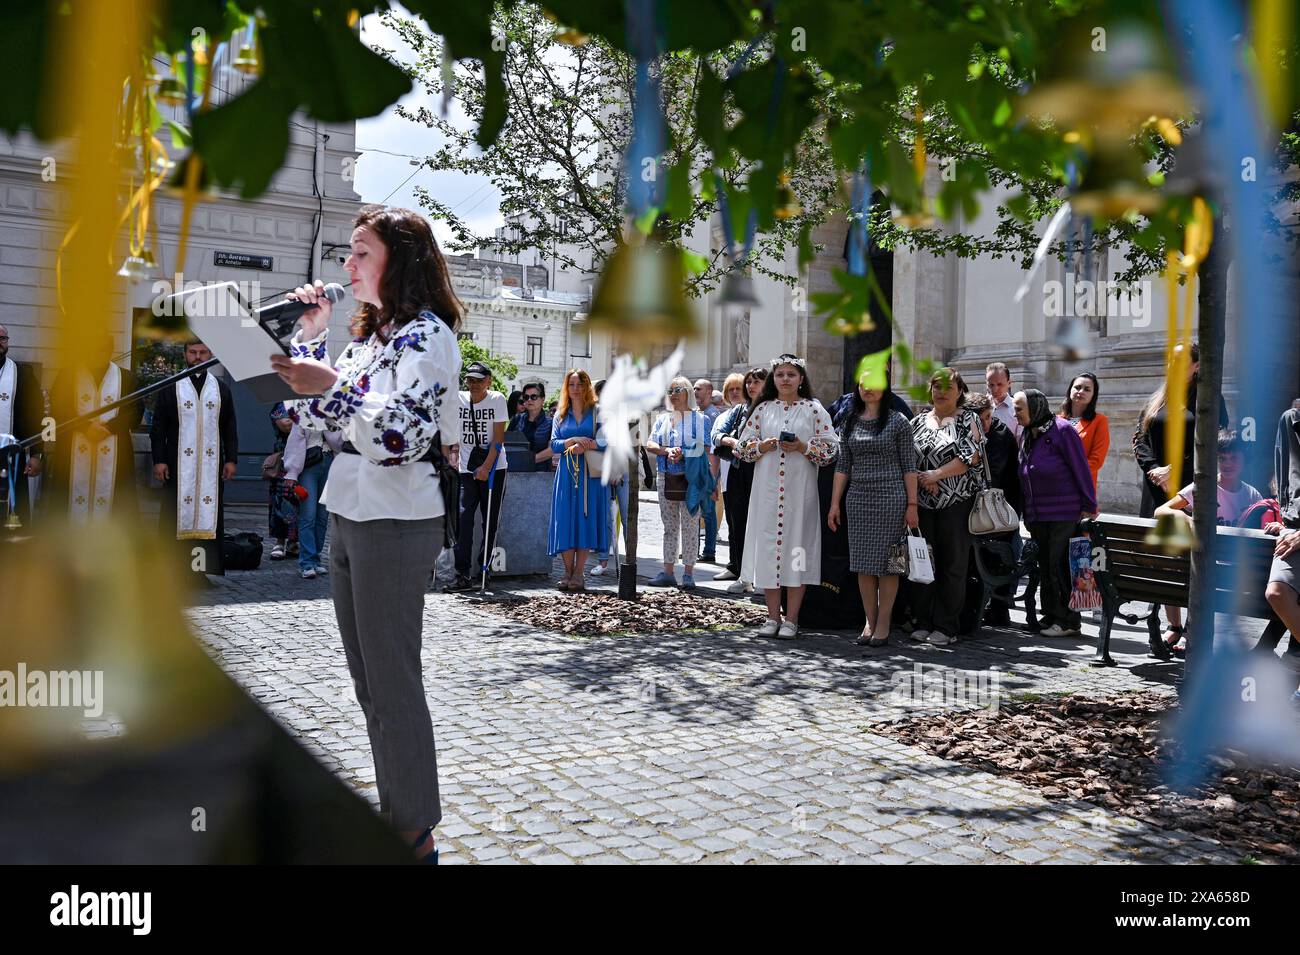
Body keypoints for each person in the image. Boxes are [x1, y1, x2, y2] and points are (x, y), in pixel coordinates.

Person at [270, 204, 462, 863]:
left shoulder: (426, 338)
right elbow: (320, 425)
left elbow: (401, 436)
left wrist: (333, 387)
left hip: (397, 519)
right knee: (368, 683)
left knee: (392, 681)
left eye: (360, 253)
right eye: (347, 254)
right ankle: (397, 818)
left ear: (397, 262)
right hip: (351, 511)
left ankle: (415, 833)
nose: (346, 265)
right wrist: (309, 343)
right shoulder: (370, 340)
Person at [734, 355, 839, 638]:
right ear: (774, 379)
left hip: (799, 495)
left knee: (797, 553)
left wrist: (804, 447)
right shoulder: (763, 409)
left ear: (801, 378)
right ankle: (771, 617)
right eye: (780, 375)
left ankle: (791, 619)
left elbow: (831, 451)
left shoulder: (814, 410)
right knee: (770, 553)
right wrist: (763, 446)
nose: (785, 380)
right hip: (767, 494)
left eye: (791, 375)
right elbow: (742, 448)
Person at [1133, 342, 1230, 644]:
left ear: (1197, 365)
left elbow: (1216, 440)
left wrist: (1175, 468)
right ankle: (1173, 625)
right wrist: (1153, 469)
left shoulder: (1209, 398)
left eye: (1179, 361)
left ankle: (1193, 625)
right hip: (1156, 490)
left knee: (1190, 558)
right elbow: (1139, 438)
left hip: (1189, 489)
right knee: (1165, 557)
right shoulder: (1158, 399)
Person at [1153, 429, 1263, 657]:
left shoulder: (1252, 496)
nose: (1227, 463)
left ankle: (1184, 630)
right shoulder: (1202, 488)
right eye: (1222, 458)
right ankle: (1179, 628)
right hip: (1203, 566)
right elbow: (1161, 511)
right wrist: (1187, 519)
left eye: (1234, 458)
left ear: (1244, 460)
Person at [827, 374, 918, 646]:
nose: (867, 389)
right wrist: (834, 504)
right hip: (858, 499)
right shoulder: (849, 421)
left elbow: (909, 466)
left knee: (890, 565)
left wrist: (912, 504)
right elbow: (842, 466)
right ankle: (869, 619)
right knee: (863, 564)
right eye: (862, 384)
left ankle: (884, 621)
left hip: (891, 498)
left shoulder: (898, 422)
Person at [149, 339, 239, 577]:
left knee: (207, 517)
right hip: (177, 466)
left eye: (203, 352)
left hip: (210, 467)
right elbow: (157, 428)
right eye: (193, 352)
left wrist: (231, 459)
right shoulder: (171, 387)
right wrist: (159, 460)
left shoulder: (221, 389)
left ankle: (200, 572)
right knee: (174, 516)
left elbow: (229, 427)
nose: (198, 356)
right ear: (185, 354)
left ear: (210, 354)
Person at [1015, 389, 1098, 638]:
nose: (1016, 413)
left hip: (1063, 511)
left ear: (1035, 408)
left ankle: (1068, 619)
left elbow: (1080, 468)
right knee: (1046, 564)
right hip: (1037, 513)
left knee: (1059, 564)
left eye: (1020, 408)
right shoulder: (1027, 433)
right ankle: (1051, 614)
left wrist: (1089, 505)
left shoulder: (1062, 430)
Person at [908, 367, 982, 646]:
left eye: (948, 388)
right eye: (936, 387)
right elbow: (907, 460)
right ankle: (922, 620)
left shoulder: (968, 419)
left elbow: (970, 455)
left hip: (956, 503)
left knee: (953, 565)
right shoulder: (917, 422)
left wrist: (935, 475)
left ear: (960, 392)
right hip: (922, 503)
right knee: (923, 561)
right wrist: (923, 479)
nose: (941, 393)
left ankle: (947, 626)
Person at [46, 332, 139, 525]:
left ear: (110, 352)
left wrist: (109, 427)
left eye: (103, 351)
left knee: (116, 508)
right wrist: (86, 426)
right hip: (72, 451)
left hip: (114, 451)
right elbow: (58, 407)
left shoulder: (126, 378)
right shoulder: (68, 376)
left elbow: (135, 412)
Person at [646, 376, 715, 589]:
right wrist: (667, 450)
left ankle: (688, 573)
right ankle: (668, 571)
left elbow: (704, 448)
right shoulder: (662, 419)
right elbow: (650, 443)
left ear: (688, 393)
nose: (673, 394)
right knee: (669, 526)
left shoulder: (700, 419)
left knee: (690, 525)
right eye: (670, 390)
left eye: (678, 390)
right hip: (666, 477)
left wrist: (683, 454)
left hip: (691, 479)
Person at [965, 393, 1024, 627]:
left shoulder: (998, 433)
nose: (989, 422)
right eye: (984, 418)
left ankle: (999, 607)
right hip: (985, 508)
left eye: (990, 417)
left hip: (1000, 509)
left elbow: (992, 473)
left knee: (1004, 555)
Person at [449, 361, 508, 591]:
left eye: (479, 380)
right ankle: (462, 573)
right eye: (470, 380)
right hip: (465, 468)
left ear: (488, 381)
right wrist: (452, 455)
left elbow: (498, 439)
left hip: (494, 468)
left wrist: (486, 467)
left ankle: (485, 569)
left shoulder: (497, 399)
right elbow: (451, 431)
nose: (474, 384)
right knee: (463, 520)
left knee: (490, 520)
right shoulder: (458, 399)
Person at [548, 369, 609, 590]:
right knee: (565, 519)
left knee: (585, 519)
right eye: (572, 384)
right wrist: (572, 440)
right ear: (567, 387)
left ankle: (579, 572)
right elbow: (554, 444)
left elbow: (607, 441)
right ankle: (566, 571)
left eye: (580, 384)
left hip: (589, 474)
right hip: (566, 472)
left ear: (587, 387)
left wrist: (587, 444)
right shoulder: (560, 414)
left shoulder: (598, 411)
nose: (576, 388)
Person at [712, 367, 766, 592]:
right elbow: (715, 436)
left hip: (762, 470)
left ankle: (761, 576)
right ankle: (741, 572)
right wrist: (731, 442)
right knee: (736, 522)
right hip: (737, 468)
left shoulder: (772, 408)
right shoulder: (737, 412)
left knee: (763, 524)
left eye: (757, 382)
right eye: (749, 382)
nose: (751, 386)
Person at [281, 412, 341, 578]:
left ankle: (316, 559)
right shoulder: (303, 411)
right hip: (308, 465)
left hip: (330, 462)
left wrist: (328, 421)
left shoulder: (334, 412)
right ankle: (307, 562)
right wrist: (292, 473)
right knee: (309, 515)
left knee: (323, 515)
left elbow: (339, 443)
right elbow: (295, 443)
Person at [0, 323, 44, 525]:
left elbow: (35, 416)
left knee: (12, 512)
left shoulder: (22, 374)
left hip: (11, 456)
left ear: (7, 342)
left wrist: (37, 454)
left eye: (2, 338)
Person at [591, 377, 629, 578]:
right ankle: (603, 560)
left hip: (621, 470)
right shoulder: (595, 413)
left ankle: (631, 560)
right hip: (600, 469)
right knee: (605, 517)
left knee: (627, 515)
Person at [1058, 372, 1109, 494]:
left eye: (1087, 389)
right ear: (1070, 390)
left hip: (1081, 486)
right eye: (1077, 387)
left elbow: (1097, 460)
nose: (1080, 392)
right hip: (1055, 484)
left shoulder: (1099, 421)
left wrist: (1070, 473)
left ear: (1093, 395)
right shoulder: (1056, 420)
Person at [266, 403, 299, 560]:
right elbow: (284, 425)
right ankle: (280, 541)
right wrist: (302, 420)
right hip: (283, 460)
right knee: (281, 500)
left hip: (305, 458)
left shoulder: (305, 402)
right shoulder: (281, 404)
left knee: (300, 501)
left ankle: (294, 542)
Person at [693, 377, 721, 562]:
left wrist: (711, 477)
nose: (695, 392)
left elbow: (713, 450)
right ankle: (693, 549)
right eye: (694, 389)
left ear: (709, 393)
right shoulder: (697, 413)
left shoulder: (712, 415)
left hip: (706, 470)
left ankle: (709, 551)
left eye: (699, 389)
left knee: (708, 513)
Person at [507, 381, 554, 470]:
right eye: (526, 397)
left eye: (534, 397)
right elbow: (506, 442)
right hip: (515, 471)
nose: (529, 400)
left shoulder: (550, 423)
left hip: (541, 473)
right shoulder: (517, 419)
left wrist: (528, 460)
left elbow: (552, 449)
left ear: (542, 399)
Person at [985, 362, 1020, 440]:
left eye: (1000, 384)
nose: (995, 389)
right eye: (991, 385)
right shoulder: (982, 407)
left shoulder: (1017, 408)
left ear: (1009, 383)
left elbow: (1020, 440)